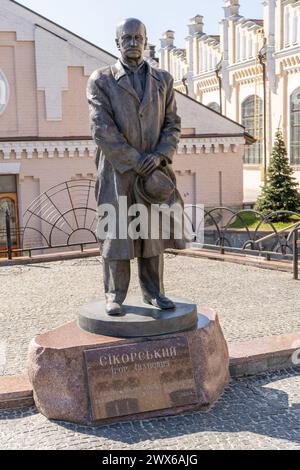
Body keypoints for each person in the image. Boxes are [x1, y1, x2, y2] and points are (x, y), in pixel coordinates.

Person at [87, 18, 185, 316]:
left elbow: (173, 124)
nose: (132, 43)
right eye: (126, 38)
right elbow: (101, 128)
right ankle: (114, 295)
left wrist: (160, 155)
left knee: (151, 234)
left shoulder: (163, 80)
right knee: (116, 235)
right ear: (117, 43)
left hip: (154, 170)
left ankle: (154, 292)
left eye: (137, 38)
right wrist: (134, 159)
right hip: (117, 172)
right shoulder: (101, 80)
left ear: (145, 40)